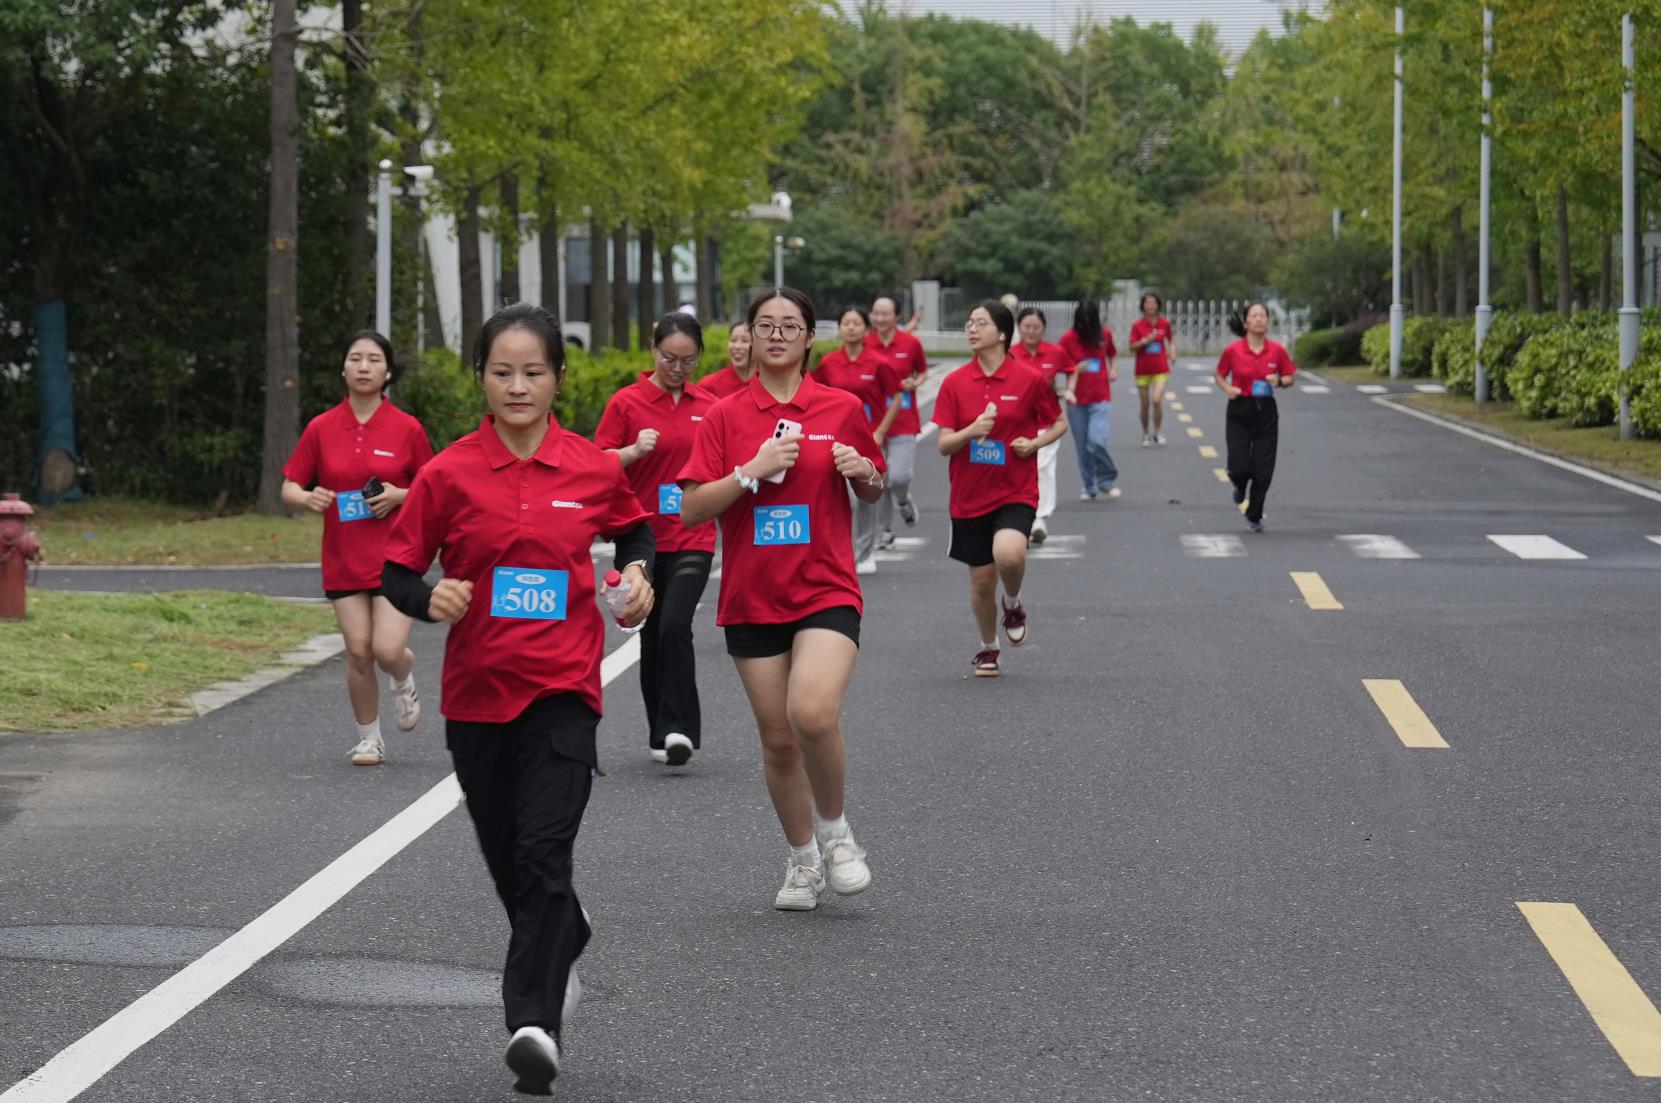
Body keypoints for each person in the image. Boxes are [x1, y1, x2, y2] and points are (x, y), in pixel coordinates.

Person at [381, 303, 656, 1094]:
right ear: (482, 378)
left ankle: (533, 1023)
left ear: (557, 379)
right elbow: (399, 569)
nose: (517, 385)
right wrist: (430, 596)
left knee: (543, 850)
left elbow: (635, 533)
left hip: (565, 686)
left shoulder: (592, 466)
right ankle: (562, 927)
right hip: (476, 695)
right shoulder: (448, 472)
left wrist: (636, 578)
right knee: (509, 856)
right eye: (502, 371)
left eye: (532, 371)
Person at [678, 287, 885, 913]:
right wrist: (749, 471)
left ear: (808, 337)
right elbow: (690, 506)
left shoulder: (842, 407)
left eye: (788, 325)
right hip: (752, 595)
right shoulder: (722, 416)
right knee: (778, 739)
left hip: (825, 587)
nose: (775, 334)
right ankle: (802, 862)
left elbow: (873, 487)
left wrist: (864, 473)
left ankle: (836, 832)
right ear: (746, 336)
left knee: (812, 712)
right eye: (763, 325)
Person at [281, 330, 433, 766]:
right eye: (356, 359)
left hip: (396, 556)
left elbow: (433, 484)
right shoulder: (321, 428)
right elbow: (291, 484)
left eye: (373, 359)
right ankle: (369, 738)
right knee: (359, 649)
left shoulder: (407, 428)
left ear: (387, 371)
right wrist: (307, 498)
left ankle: (402, 675)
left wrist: (399, 496)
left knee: (387, 650)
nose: (364, 366)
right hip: (344, 556)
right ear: (344, 369)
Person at [594, 313, 717, 767]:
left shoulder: (710, 403)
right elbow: (596, 463)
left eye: (688, 360)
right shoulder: (626, 404)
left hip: (692, 533)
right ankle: (659, 730)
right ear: (653, 350)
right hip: (639, 535)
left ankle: (681, 728)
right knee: (650, 633)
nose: (679, 368)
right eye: (670, 358)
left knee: (674, 626)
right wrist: (633, 451)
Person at [933, 300, 1067, 678]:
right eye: (969, 323)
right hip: (969, 495)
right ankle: (989, 646)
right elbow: (944, 444)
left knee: (1009, 555)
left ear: (1002, 333)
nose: (971, 329)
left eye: (980, 323)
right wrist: (972, 431)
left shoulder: (1029, 380)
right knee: (980, 582)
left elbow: (1058, 423)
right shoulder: (954, 382)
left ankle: (1012, 601)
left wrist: (1034, 444)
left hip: (1015, 489)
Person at [813, 305, 902, 573]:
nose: (850, 327)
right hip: (834, 439)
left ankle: (864, 554)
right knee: (843, 498)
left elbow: (896, 395)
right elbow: (817, 395)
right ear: (840, 329)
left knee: (866, 493)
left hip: (869, 437)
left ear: (866, 329)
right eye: (846, 323)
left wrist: (881, 431)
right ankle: (838, 551)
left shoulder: (879, 362)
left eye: (856, 323)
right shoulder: (829, 363)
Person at [1214, 301, 1295, 533]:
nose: (1259, 319)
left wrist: (1279, 381)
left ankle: (1254, 514)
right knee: (1239, 466)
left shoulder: (1277, 350)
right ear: (1246, 321)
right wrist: (1228, 388)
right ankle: (1239, 486)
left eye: (1263, 316)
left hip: (1266, 411)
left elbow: (1290, 376)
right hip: (1240, 409)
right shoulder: (1233, 350)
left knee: (1263, 468)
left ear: (1268, 322)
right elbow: (1219, 375)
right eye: (1254, 315)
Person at [866, 292, 929, 549]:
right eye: (876, 313)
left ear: (897, 317)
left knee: (899, 477)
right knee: (878, 479)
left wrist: (916, 382)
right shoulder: (865, 343)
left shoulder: (910, 343)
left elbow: (923, 371)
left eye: (885, 314)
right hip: (872, 425)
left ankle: (902, 499)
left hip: (903, 420)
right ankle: (884, 531)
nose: (879, 318)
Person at [1009, 306, 1076, 545]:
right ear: (1019, 329)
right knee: (1020, 470)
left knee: (1042, 468)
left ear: (1043, 329)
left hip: (1047, 421)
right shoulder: (1010, 353)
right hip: (1018, 421)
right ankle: (1020, 517)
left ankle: (1038, 517)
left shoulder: (1055, 352)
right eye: (1027, 327)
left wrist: (1069, 391)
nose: (1031, 331)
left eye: (1036, 327)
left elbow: (1072, 370)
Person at [1057, 300, 1120, 500]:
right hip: (1076, 400)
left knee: (1097, 440)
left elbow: (1112, 354)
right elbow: (1057, 363)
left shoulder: (1105, 334)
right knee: (1082, 446)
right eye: (1082, 321)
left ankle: (1106, 479)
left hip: (1100, 396)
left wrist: (1113, 369)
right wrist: (1075, 368)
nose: (1085, 324)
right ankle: (1088, 485)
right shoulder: (1068, 339)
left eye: (1089, 320)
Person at [1129, 292, 1175, 446]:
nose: (1150, 305)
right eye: (1148, 303)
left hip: (1161, 368)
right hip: (1142, 370)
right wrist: (1145, 340)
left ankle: (1158, 431)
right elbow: (1132, 347)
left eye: (1153, 303)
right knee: (1145, 404)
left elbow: (1171, 339)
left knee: (1156, 400)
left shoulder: (1164, 324)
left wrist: (1172, 352)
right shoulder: (1137, 326)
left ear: (1158, 305)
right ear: (1143, 306)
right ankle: (1145, 433)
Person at [698, 321, 752, 399]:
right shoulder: (708, 385)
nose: (737, 346)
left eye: (745, 340)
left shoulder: (769, 384)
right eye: (733, 340)